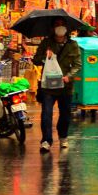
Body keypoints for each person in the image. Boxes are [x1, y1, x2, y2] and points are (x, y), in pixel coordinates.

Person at [32, 17, 81, 152]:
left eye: (62, 24)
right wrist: (45, 57)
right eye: (57, 24)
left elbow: (78, 65)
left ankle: (63, 136)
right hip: (48, 86)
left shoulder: (73, 45)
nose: (60, 27)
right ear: (53, 28)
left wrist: (68, 76)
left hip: (65, 86)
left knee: (65, 114)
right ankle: (46, 140)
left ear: (67, 28)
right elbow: (35, 60)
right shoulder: (46, 43)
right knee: (46, 113)